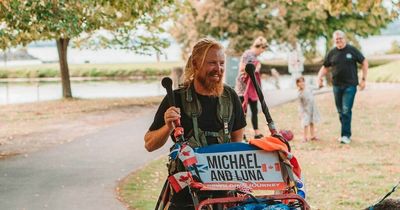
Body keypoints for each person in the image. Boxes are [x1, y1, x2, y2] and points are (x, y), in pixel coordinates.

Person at [144, 38, 246, 209]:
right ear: (195, 63)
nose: (218, 69)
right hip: (185, 195)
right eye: (212, 63)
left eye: (222, 63)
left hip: (223, 193)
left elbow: (237, 146)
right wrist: (168, 126)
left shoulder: (230, 97)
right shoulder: (175, 98)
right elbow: (149, 144)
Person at [317, 30, 368, 144]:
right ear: (334, 40)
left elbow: (364, 62)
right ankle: (345, 132)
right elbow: (325, 67)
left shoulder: (352, 50)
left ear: (345, 39)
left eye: (340, 38)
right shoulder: (332, 52)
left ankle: (346, 135)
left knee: (346, 110)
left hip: (350, 86)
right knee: (340, 111)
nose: (339, 41)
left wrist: (363, 79)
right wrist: (319, 78)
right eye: (336, 39)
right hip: (336, 86)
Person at [234, 36, 268, 139]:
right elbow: (242, 68)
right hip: (243, 87)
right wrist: (255, 67)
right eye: (263, 50)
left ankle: (256, 132)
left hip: (252, 88)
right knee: (242, 110)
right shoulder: (248, 54)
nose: (262, 52)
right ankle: (241, 133)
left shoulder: (254, 57)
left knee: (254, 109)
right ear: (260, 47)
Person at [296, 76, 320, 142]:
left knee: (312, 122)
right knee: (305, 123)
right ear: (297, 84)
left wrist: (320, 84)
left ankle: (312, 136)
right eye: (299, 82)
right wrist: (300, 113)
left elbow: (317, 87)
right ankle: (305, 137)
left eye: (302, 81)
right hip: (305, 110)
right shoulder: (299, 93)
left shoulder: (308, 88)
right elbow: (300, 105)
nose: (301, 83)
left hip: (312, 108)